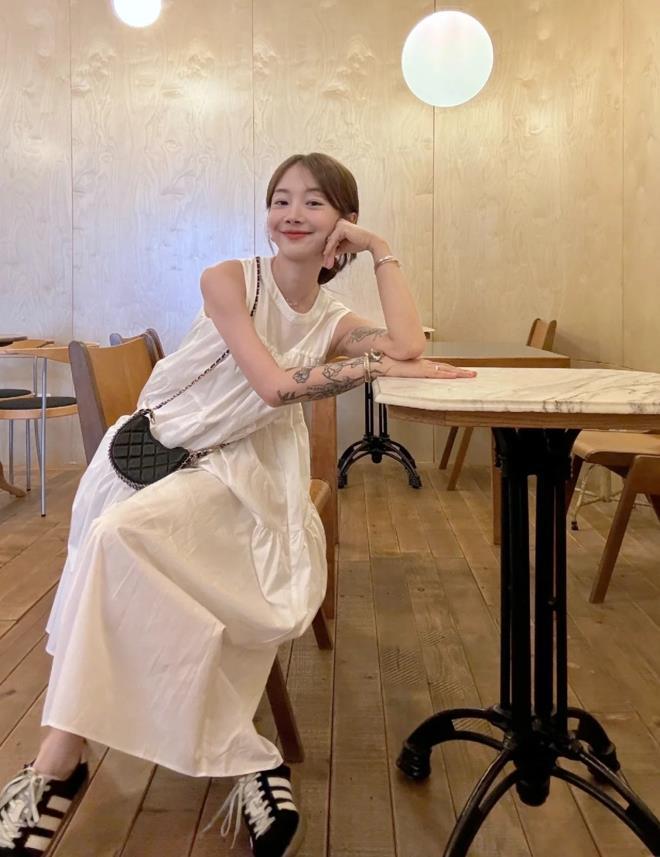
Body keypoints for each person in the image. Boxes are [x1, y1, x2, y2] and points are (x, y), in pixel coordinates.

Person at [0, 152, 476, 857]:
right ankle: (202, 759)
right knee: (119, 539)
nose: (292, 213)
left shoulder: (333, 318)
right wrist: (374, 364)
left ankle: (67, 763)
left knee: (178, 561)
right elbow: (275, 387)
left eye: (314, 202)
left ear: (342, 221)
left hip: (248, 468)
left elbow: (409, 342)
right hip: (160, 461)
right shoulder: (229, 279)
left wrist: (379, 246)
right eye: (280, 199)